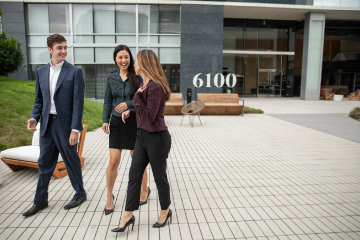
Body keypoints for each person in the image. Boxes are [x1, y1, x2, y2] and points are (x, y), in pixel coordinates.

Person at [23, 34, 87, 217]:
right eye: (59, 48)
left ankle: (80, 193)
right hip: (47, 125)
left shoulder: (74, 72)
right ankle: (40, 201)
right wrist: (34, 118)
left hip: (65, 126)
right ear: (50, 49)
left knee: (71, 161)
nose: (64, 51)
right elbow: (39, 100)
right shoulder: (41, 71)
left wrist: (75, 129)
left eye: (65, 47)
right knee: (44, 163)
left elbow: (78, 103)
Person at [112, 50, 172, 233]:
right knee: (134, 176)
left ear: (144, 64)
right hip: (142, 137)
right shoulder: (145, 84)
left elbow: (149, 116)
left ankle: (165, 211)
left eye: (136, 61)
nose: (134, 64)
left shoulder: (153, 87)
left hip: (157, 139)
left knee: (159, 177)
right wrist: (131, 112)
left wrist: (136, 98)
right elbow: (144, 112)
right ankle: (128, 214)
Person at [102, 45, 150, 215]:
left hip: (134, 121)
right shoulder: (110, 78)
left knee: (136, 159)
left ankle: (145, 190)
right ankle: (109, 196)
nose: (124, 60)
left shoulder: (138, 76)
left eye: (127, 57)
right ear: (115, 59)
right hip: (116, 122)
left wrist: (129, 104)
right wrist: (104, 120)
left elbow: (144, 99)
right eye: (120, 57)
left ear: (130, 59)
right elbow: (107, 100)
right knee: (114, 161)